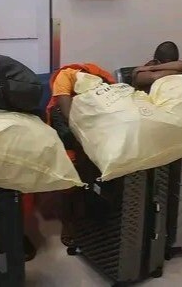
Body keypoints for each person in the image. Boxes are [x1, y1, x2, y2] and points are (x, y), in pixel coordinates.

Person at [46, 63, 115, 247]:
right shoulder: (66, 76)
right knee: (71, 175)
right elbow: (68, 116)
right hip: (69, 134)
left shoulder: (102, 76)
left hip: (96, 130)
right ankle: (67, 222)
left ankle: (92, 217)